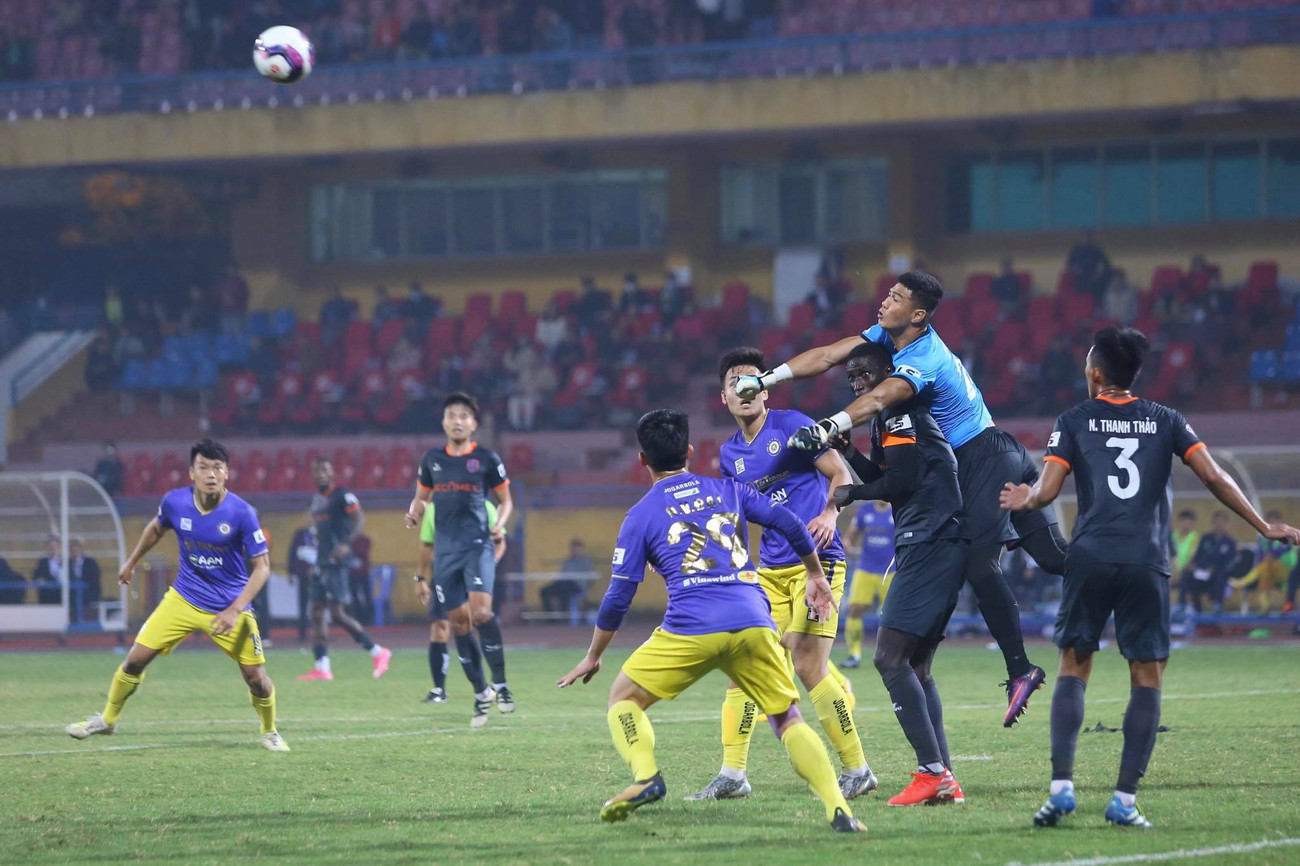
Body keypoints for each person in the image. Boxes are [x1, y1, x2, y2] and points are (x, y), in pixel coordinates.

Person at [733, 271, 1068, 726]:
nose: (884, 302)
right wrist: (767, 378)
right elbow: (828, 355)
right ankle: (1123, 572)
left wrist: (830, 426)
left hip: (981, 457)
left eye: (895, 298)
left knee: (977, 561)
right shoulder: (885, 339)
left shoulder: (923, 357)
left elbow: (879, 399)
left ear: (917, 314)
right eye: (887, 294)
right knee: (1054, 558)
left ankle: (1020, 669)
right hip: (993, 454)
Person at [1000, 326, 1300, 828]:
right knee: (1146, 675)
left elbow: (1046, 492)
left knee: (1074, 665)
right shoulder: (1166, 419)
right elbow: (1214, 476)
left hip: (1090, 555)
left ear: (1096, 373)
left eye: (1087, 364)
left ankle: (1062, 788)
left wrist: (1023, 500)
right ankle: (1123, 800)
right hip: (1145, 559)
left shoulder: (1073, 420)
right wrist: (1262, 525)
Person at [556, 409, 864, 833]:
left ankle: (646, 777)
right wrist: (816, 574)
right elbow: (790, 522)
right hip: (753, 618)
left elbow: (618, 597)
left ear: (642, 460)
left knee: (622, 700)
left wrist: (594, 655)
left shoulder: (640, 515)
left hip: (692, 625)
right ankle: (838, 808)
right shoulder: (728, 489)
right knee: (787, 718)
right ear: (688, 451)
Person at [688, 348, 875, 803]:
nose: (745, 389)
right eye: (735, 383)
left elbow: (841, 474)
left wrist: (830, 513)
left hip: (819, 563)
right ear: (724, 397)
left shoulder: (791, 426)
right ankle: (732, 775)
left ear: (766, 390)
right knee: (744, 666)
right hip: (770, 571)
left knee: (808, 666)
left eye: (753, 381)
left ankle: (858, 769)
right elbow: (737, 516)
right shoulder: (730, 454)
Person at [66, 439, 288, 752]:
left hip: (229, 605)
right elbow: (156, 528)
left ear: (227, 473)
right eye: (204, 467)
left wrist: (236, 609)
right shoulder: (175, 502)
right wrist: (132, 561)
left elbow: (262, 568)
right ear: (191, 473)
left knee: (255, 678)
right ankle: (107, 720)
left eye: (218, 468)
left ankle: (269, 731)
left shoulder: (242, 513)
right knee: (134, 661)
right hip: (183, 598)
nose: (211, 474)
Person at [833, 341, 969, 806]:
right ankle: (943, 776)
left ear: (888, 372)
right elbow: (890, 477)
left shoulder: (898, 412)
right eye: (851, 377)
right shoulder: (890, 420)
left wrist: (851, 494)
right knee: (916, 666)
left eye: (864, 374)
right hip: (940, 539)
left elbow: (903, 482)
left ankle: (932, 772)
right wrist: (849, 454)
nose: (857, 383)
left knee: (889, 659)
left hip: (929, 538)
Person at [404, 392, 515, 727]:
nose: (457, 421)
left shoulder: (486, 458)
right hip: (446, 554)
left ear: (473, 424)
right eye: (451, 415)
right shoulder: (432, 460)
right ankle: (481, 693)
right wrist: (414, 512)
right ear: (443, 422)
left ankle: (501, 684)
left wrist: (499, 524)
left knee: (481, 614)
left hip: (478, 547)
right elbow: (421, 498)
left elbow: (506, 500)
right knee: (459, 625)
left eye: (464, 416)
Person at [298, 457, 391, 682]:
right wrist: (315, 560)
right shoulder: (317, 500)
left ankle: (377, 652)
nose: (320, 474)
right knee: (317, 611)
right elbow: (319, 533)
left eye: (324, 470)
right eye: (317, 470)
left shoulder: (342, 495)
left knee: (337, 613)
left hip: (337, 563)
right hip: (322, 562)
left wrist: (346, 543)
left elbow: (359, 519)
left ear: (332, 474)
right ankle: (322, 667)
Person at [415, 498, 507, 703]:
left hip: (473, 574)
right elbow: (427, 544)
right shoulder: (434, 509)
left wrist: (489, 563)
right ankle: (439, 689)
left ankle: (489, 685)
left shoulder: (484, 506)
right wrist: (420, 578)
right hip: (445, 574)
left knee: (474, 623)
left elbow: (499, 541)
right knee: (440, 627)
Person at [841, 499, 894, 668]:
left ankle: (894, 654)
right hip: (865, 568)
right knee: (855, 609)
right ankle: (854, 654)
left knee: (894, 615)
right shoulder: (864, 511)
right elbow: (851, 534)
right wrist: (847, 543)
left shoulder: (898, 510)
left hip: (890, 571)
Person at [1230, 511, 1293, 614]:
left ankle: (1243, 582)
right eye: (1270, 522)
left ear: (1280, 523)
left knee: (1266, 565)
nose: (1272, 525)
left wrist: (1272, 556)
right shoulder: (1263, 539)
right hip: (1269, 573)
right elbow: (1259, 557)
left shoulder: (1287, 537)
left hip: (1286, 574)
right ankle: (1264, 608)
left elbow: (1282, 552)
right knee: (1264, 574)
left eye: (1275, 522)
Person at [1187, 512, 1238, 614]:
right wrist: (1194, 565)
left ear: (1226, 524)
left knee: (1220, 576)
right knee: (1189, 575)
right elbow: (1199, 556)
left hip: (1220, 573)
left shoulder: (1230, 542)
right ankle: (1195, 608)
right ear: (1213, 523)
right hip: (1204, 571)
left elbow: (1229, 562)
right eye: (1217, 522)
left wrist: (1214, 569)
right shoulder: (1206, 538)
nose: (1219, 525)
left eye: (1222, 522)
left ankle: (1217, 605)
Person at [540, 539, 595, 614]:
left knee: (565, 590)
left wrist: (586, 588)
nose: (574, 551)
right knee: (544, 591)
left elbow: (591, 577)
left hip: (577, 586)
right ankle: (549, 616)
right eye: (572, 549)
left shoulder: (586, 562)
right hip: (563, 583)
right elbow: (562, 575)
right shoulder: (567, 561)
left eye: (576, 549)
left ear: (581, 550)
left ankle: (564, 616)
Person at [288, 523, 317, 641]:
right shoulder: (301, 534)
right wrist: (291, 571)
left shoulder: (322, 533)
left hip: (318, 575)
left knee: (319, 604)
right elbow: (292, 552)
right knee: (303, 603)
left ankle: (319, 631)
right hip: (303, 574)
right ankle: (303, 632)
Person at [1170, 510, 1199, 613]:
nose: (1186, 524)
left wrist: (1179, 573)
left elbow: (1193, 556)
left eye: (1189, 521)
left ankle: (1182, 604)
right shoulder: (1173, 536)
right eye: (1183, 521)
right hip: (1172, 571)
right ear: (1179, 522)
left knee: (1186, 576)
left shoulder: (1194, 537)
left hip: (1185, 571)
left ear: (1192, 523)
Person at [67, 537, 102, 623]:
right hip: (71, 595)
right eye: (72, 548)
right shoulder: (67, 563)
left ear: (81, 548)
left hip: (88, 594)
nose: (74, 550)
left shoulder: (90, 562)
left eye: (76, 547)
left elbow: (95, 580)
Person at [31, 536, 64, 605]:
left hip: (61, 597)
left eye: (54, 546)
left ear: (59, 547)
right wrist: (39, 581)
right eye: (50, 546)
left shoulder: (65, 561)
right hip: (45, 597)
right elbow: (35, 576)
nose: (52, 548)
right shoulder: (42, 561)